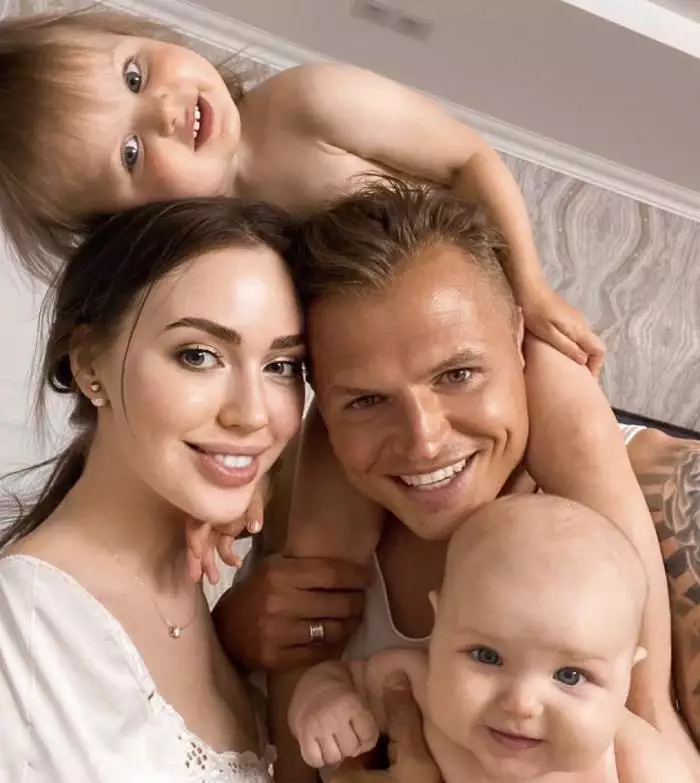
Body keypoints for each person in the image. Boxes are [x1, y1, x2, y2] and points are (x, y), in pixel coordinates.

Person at [209, 180, 699, 782]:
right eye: (366, 400)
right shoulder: (294, 499)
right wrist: (230, 634)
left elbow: (654, 726)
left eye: (459, 373)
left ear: (520, 337)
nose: (424, 440)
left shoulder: (669, 500)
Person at [0, 8, 602, 371]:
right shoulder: (221, 269)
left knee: (564, 405)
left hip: (487, 312)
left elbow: (470, 158)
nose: (164, 111)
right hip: (388, 379)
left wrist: (530, 289)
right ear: (129, 221)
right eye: (130, 153)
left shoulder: (310, 104)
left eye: (134, 75)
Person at [0, 197, 307, 782]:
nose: (252, 414)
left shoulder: (223, 597)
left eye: (282, 366)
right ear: (89, 363)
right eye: (199, 355)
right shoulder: (26, 627)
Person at [289, 495, 695, 782]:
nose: (521, 703)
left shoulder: (630, 760)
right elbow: (338, 677)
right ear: (439, 623)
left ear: (627, 676)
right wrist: (324, 704)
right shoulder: (416, 684)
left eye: (570, 676)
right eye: (486, 656)